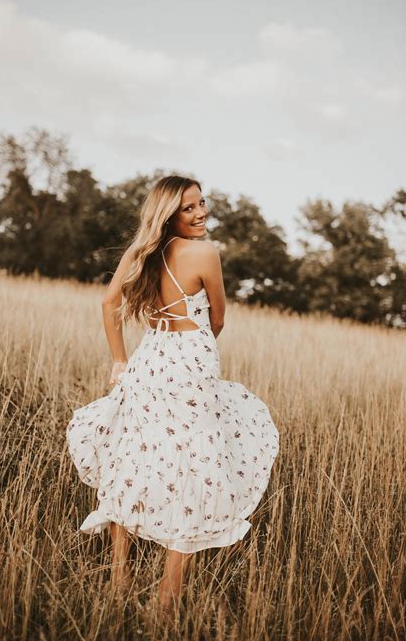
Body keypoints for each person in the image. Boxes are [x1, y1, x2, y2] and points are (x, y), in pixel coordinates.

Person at [66, 175, 279, 615]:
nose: (201, 213)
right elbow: (217, 318)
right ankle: (168, 593)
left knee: (132, 456)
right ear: (168, 213)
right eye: (189, 208)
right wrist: (198, 348)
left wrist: (119, 360)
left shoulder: (141, 252)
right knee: (193, 464)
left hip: (148, 357)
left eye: (202, 203)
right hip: (189, 361)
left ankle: (120, 579)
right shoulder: (204, 252)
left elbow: (109, 305)